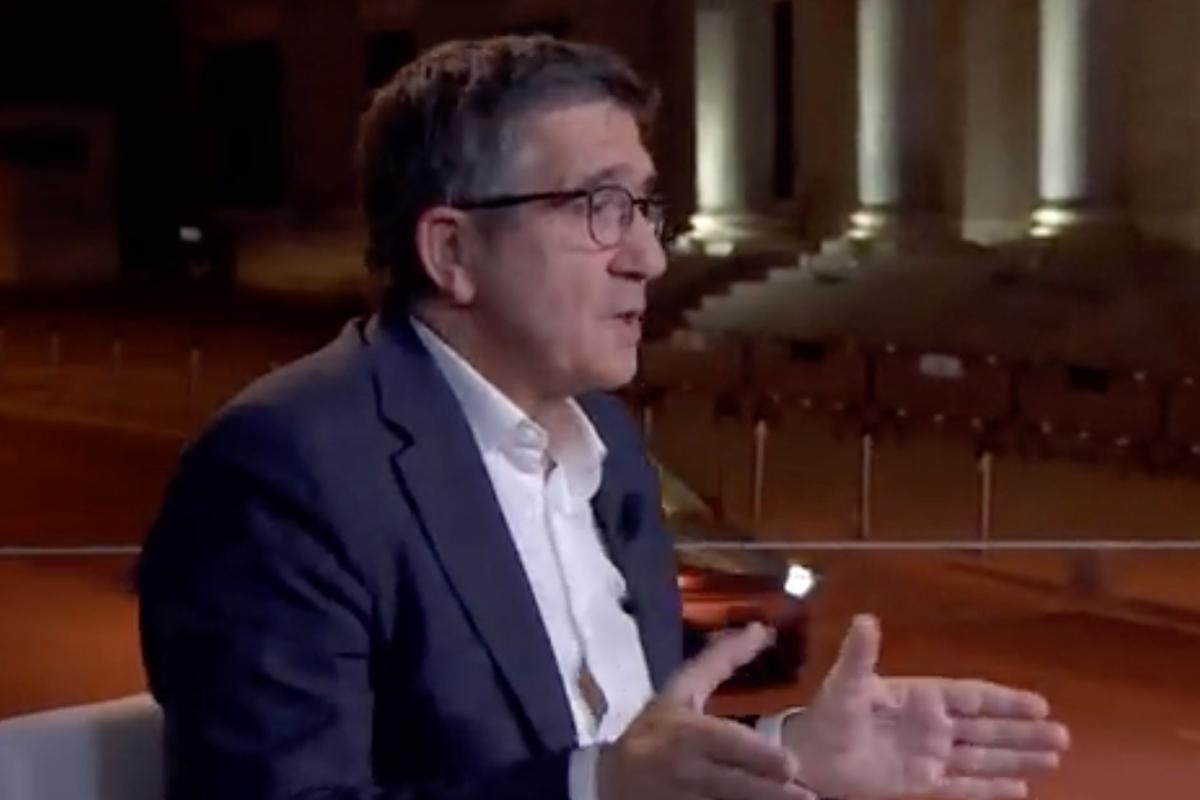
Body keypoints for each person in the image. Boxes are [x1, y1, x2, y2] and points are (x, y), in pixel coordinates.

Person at [138, 35, 1069, 800]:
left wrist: (788, 753)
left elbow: (631, 754)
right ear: (453, 251)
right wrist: (595, 790)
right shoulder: (285, 472)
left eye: (644, 209)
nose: (649, 259)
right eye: (599, 207)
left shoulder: (610, 448)